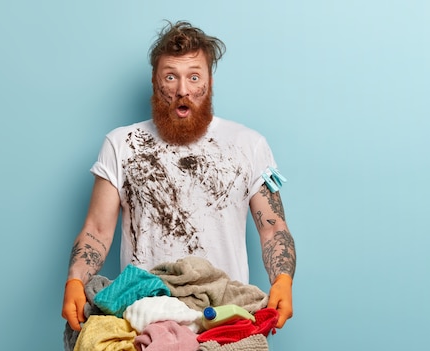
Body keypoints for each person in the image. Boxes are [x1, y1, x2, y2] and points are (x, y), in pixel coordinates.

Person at [61, 20, 295, 332]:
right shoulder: (121, 144)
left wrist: (282, 281)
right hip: (144, 317)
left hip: (224, 315)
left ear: (209, 82)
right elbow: (97, 230)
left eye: (193, 77)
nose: (182, 90)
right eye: (171, 77)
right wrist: (76, 280)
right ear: (155, 82)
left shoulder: (250, 145)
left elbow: (273, 228)